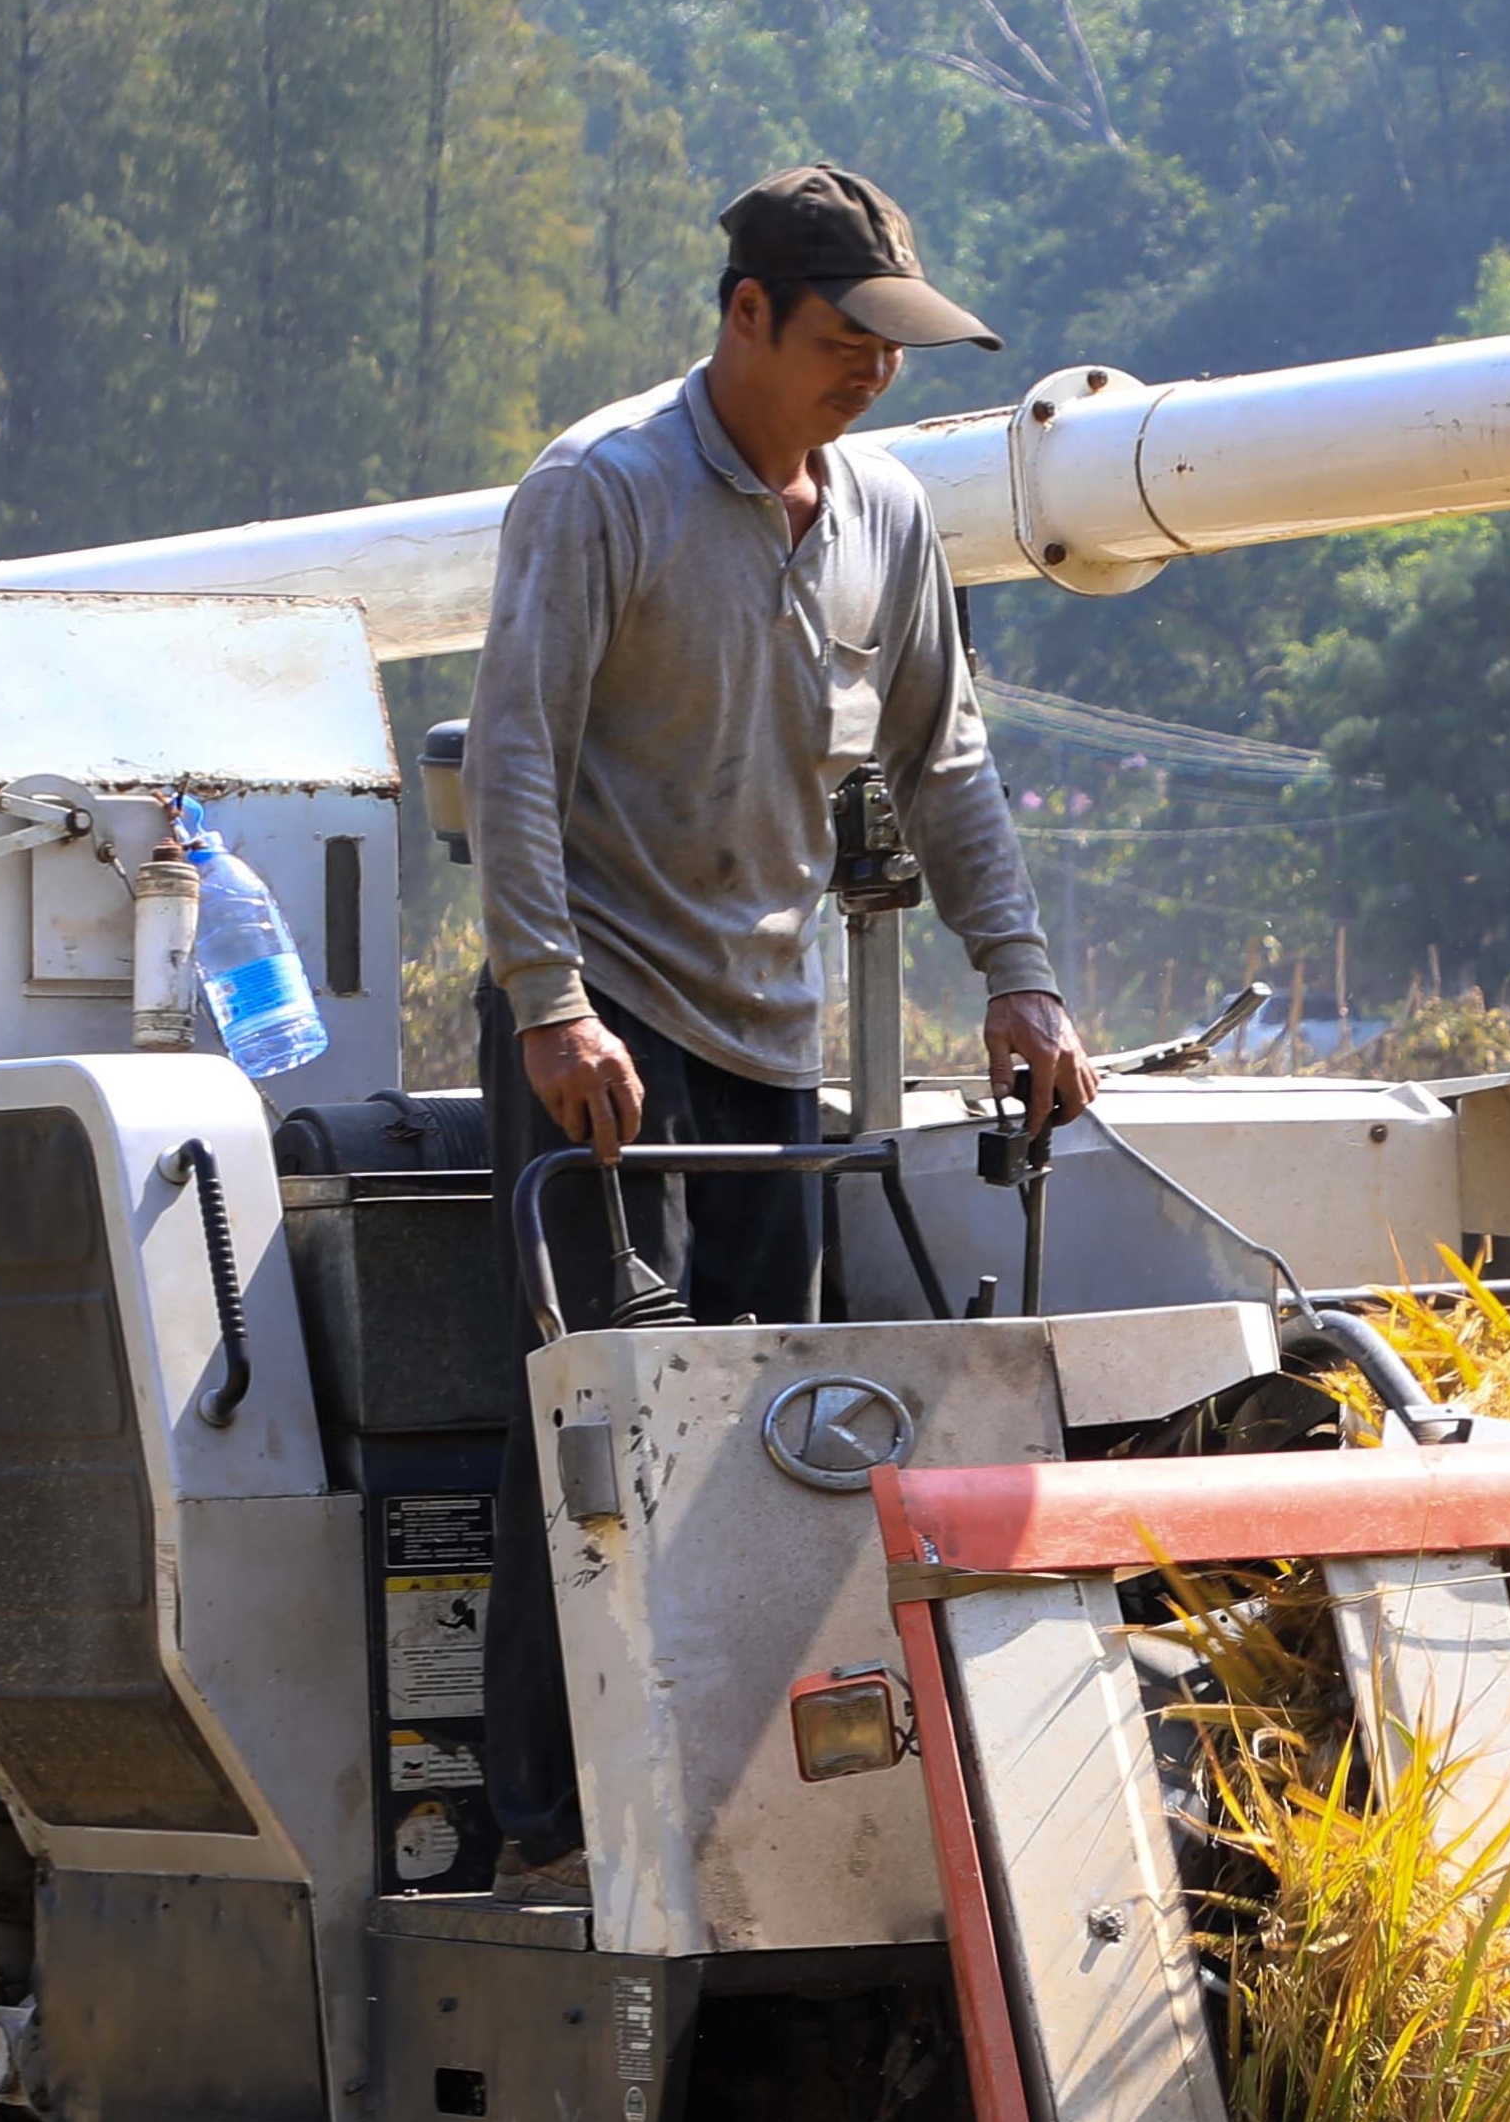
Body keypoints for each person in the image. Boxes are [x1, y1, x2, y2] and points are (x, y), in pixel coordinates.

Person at [459, 162, 1099, 1887]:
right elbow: (512, 755)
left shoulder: (884, 515)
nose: (871, 374)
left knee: (768, 1420)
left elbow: (942, 762)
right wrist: (547, 1002)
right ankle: (555, 1833)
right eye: (841, 341)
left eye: (892, 349)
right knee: (602, 1415)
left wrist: (1019, 975)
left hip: (764, 1024)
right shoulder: (601, 492)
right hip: (603, 1019)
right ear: (744, 315)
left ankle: (735, 1810)